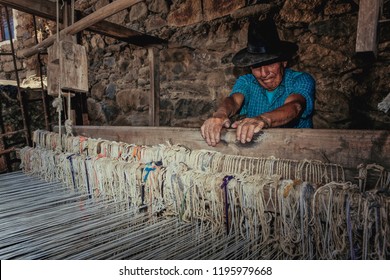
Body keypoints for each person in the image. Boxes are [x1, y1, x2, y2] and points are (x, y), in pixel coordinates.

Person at [201, 18, 315, 147]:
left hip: (298, 149)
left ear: (284, 61)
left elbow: (295, 106)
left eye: (270, 64)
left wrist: (263, 119)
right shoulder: (247, 81)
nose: (264, 73)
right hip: (258, 150)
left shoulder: (301, 80)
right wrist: (220, 114)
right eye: (256, 67)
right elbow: (233, 100)